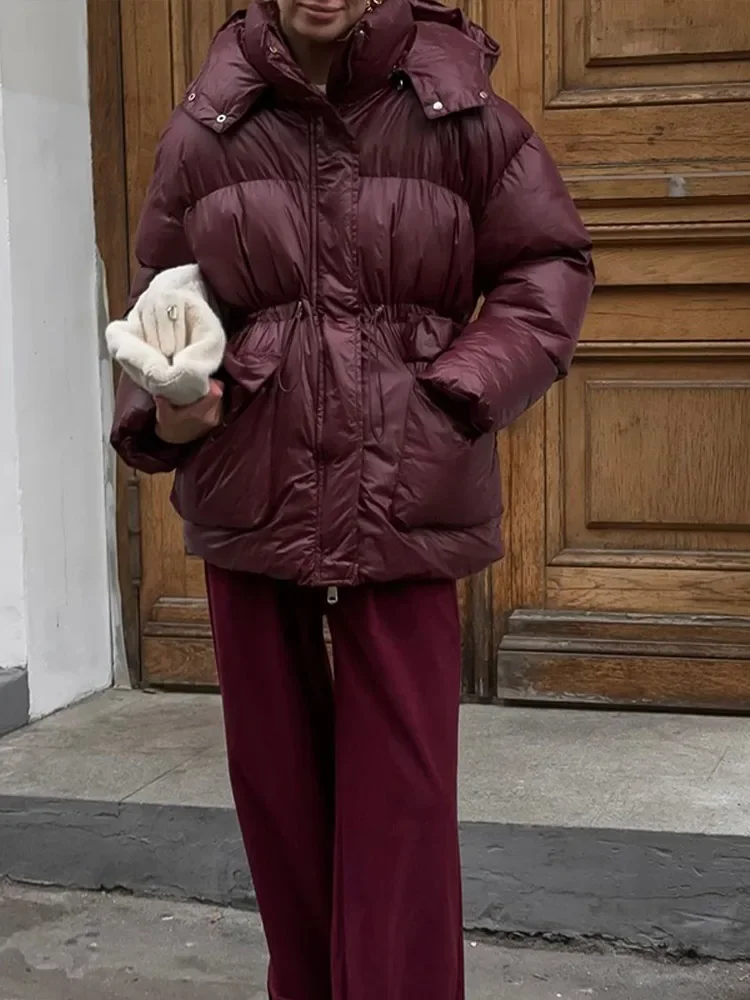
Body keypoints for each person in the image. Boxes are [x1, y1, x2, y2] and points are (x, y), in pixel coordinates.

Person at [111, 0, 594, 995]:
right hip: (253, 486)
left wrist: (456, 391)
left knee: (404, 803)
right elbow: (163, 290)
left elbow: (548, 265)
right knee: (280, 799)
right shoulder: (208, 125)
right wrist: (170, 407)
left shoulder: (463, 112)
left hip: (406, 489)